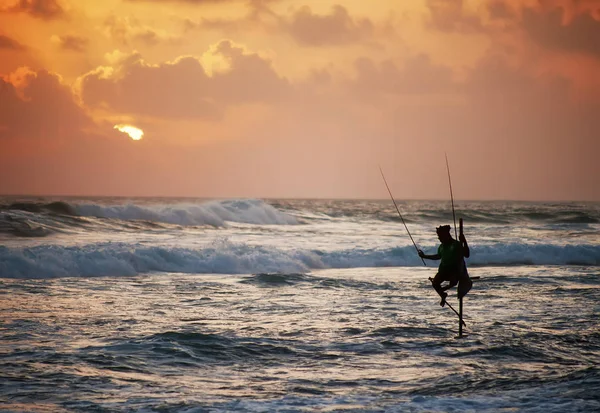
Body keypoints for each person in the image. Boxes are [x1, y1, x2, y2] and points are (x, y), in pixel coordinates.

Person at [418, 225, 470, 306]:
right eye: (438, 236)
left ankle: (443, 289)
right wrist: (424, 256)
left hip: (454, 271)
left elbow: (467, 254)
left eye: (440, 236)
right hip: (443, 271)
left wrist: (464, 241)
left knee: (453, 282)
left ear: (446, 235)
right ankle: (443, 294)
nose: (439, 238)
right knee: (435, 283)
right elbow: (438, 256)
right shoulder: (441, 246)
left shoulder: (456, 244)